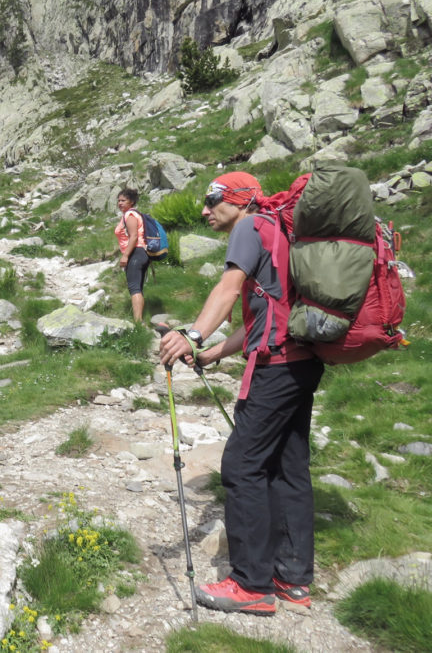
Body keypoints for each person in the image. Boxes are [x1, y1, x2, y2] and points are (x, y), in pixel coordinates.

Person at [158, 171, 324, 616]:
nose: (204, 210)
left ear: (241, 200)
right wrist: (212, 354)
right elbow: (259, 318)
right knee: (288, 467)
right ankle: (292, 579)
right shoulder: (278, 231)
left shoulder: (250, 227)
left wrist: (190, 335)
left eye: (213, 200)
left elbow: (229, 289)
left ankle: (250, 584)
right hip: (303, 363)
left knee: (241, 464)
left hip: (276, 368)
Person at [114, 187, 150, 323]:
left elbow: (134, 236)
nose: (120, 203)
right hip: (140, 253)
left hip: (136, 253)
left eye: (123, 200)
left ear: (132, 202)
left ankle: (138, 323)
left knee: (134, 288)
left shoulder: (130, 215)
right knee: (137, 288)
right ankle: (139, 320)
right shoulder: (132, 214)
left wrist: (125, 256)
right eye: (118, 200)